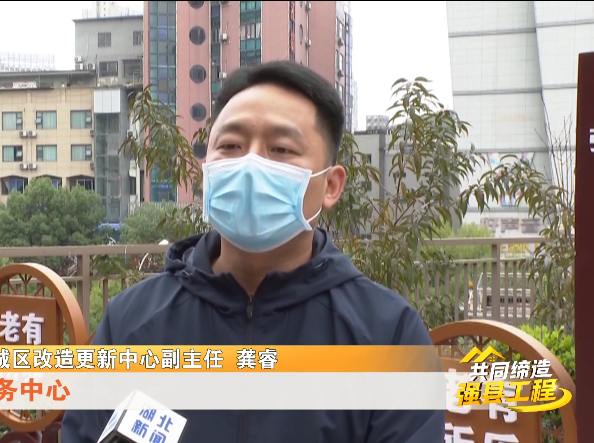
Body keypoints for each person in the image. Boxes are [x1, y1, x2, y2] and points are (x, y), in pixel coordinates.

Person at [62, 61, 444, 442]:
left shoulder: (389, 337)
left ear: (331, 185)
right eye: (230, 146)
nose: (251, 165)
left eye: (281, 149)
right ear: (206, 168)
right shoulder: (130, 323)